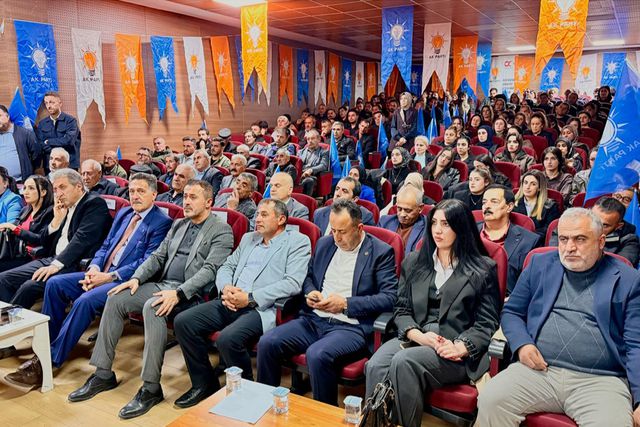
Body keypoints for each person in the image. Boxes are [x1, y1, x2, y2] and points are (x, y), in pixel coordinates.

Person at [68, 180, 234, 420]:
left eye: (193, 197)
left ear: (209, 202)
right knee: (116, 298)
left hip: (192, 294)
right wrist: (136, 278)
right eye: (185, 196)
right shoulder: (179, 224)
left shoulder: (221, 230)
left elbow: (210, 270)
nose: (186, 201)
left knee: (152, 307)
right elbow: (158, 256)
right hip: (162, 285)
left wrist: (178, 293)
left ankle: (150, 388)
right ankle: (103, 374)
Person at [4, 174, 173, 387]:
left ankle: (47, 362)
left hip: (124, 280)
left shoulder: (162, 222)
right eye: (131, 191)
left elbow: (146, 262)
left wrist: (108, 276)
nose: (135, 196)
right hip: (101, 271)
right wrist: (94, 268)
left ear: (154, 194)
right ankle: (44, 347)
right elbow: (105, 245)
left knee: (85, 301)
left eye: (141, 191)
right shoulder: (125, 213)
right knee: (54, 284)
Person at [477, 208, 640, 427]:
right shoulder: (540, 264)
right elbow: (512, 312)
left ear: (601, 242)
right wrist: (522, 344)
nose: (569, 247)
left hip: (601, 380)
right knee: (491, 400)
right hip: (539, 370)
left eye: (580, 239)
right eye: (563, 239)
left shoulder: (628, 279)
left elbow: (635, 344)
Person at [365, 199, 500, 427]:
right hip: (417, 336)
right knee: (374, 366)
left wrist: (462, 347)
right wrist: (417, 335)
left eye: (446, 224)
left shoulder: (483, 269)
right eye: (434, 223)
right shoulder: (414, 261)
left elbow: (487, 323)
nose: (437, 230)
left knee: (404, 362)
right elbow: (402, 309)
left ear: (461, 227)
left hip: (453, 346)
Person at [172, 199, 311, 408]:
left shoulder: (298, 241)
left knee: (228, 339)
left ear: (281, 219)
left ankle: (248, 393)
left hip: (261, 307)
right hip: (231, 299)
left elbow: (292, 283)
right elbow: (227, 266)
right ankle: (204, 384)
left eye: (264, 215)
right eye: (257, 214)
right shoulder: (249, 238)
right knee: (183, 322)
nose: (257, 219)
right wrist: (226, 287)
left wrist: (250, 297)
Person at [257, 199, 398, 405]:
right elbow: (308, 277)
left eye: (342, 232)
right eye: (333, 230)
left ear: (359, 228)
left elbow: (389, 298)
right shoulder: (325, 243)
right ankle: (263, 405)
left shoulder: (380, 251)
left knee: (317, 354)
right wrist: (311, 292)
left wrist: (346, 304)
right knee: (267, 342)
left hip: (351, 327)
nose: (337, 237)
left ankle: (325, 415)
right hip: (314, 319)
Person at [0, 169, 111, 308]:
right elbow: (43, 241)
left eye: (63, 187)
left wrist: (55, 265)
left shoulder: (93, 203)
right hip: (52, 258)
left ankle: (11, 318)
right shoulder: (63, 206)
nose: (58, 193)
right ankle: (8, 316)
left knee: (28, 287)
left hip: (73, 263)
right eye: (56, 189)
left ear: (78, 186)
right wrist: (56, 221)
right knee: (4, 279)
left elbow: (81, 240)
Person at [480, 185, 541, 292]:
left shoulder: (529, 241)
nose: (487, 206)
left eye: (494, 202)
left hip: (505, 297)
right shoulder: (468, 232)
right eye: (484, 202)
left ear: (509, 207)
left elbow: (531, 283)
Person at [0, 176, 53, 272]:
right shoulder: (25, 210)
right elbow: (12, 227)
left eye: (31, 188)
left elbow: (40, 239)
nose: (26, 192)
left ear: (43, 192)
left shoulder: (50, 212)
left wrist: (15, 229)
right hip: (17, 254)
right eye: (24, 188)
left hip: (35, 258)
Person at [34, 92, 81, 172]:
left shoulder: (71, 121)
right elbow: (41, 144)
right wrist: (55, 153)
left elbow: (69, 140)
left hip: (69, 164)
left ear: (60, 104)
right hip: (50, 165)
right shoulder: (42, 123)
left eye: (52, 102)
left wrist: (49, 141)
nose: (48, 106)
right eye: (46, 103)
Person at [378, 185, 425, 255]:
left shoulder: (427, 228)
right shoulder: (384, 222)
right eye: (399, 209)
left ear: (420, 208)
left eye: (408, 210)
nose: (402, 214)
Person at [592, 197, 640, 266]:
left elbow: (621, 267)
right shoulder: (577, 227)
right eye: (593, 220)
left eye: (604, 225)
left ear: (618, 226)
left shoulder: (629, 241)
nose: (595, 227)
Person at [513, 170, 560, 238]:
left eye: (533, 184)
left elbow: (548, 231)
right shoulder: (512, 203)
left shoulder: (550, 206)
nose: (527, 187)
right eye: (525, 183)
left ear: (539, 188)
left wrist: (528, 237)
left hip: (537, 241)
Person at [0, 104, 40, 182]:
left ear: (7, 116)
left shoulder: (25, 133)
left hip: (21, 182)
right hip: (1, 184)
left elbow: (36, 155)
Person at [298, 130, 329, 196]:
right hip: (300, 175)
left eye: (312, 138)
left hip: (312, 176)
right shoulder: (300, 152)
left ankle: (306, 200)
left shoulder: (324, 152)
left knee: (308, 181)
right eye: (308, 139)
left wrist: (311, 170)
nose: (310, 141)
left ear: (319, 139)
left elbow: (323, 165)